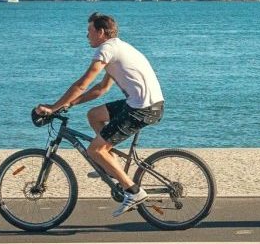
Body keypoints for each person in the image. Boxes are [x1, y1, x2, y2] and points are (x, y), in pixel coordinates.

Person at [35, 12, 165, 217]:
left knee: (95, 150)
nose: (87, 36)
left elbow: (82, 84)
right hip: (143, 103)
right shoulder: (117, 48)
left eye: (89, 31)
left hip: (142, 108)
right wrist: (71, 103)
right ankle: (110, 162)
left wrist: (54, 107)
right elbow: (101, 89)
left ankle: (133, 191)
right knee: (94, 115)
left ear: (101, 32)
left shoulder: (107, 49)